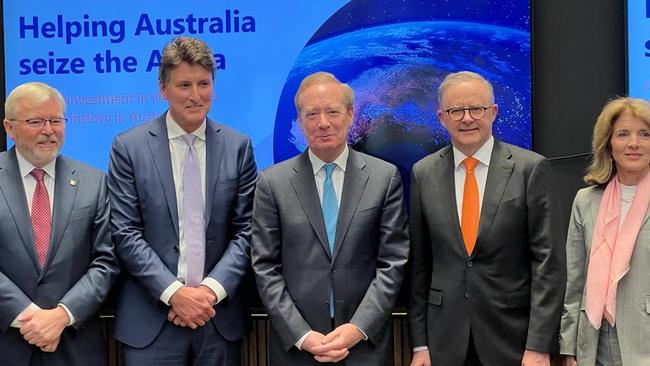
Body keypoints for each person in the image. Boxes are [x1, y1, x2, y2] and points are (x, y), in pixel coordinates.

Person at [108, 36, 257, 365]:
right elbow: (125, 232)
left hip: (217, 318)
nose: (195, 95)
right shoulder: (128, 148)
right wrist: (174, 294)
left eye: (204, 83)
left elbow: (247, 230)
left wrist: (208, 293)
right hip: (152, 320)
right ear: (163, 89)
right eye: (184, 84)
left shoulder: (239, 147)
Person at [407, 71, 566, 366]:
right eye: (456, 111)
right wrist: (419, 344)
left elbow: (549, 265)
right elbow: (419, 266)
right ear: (442, 117)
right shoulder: (423, 173)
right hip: (444, 342)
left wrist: (539, 345)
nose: (466, 118)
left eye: (476, 109)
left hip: (514, 342)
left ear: (493, 112)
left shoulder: (529, 169)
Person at [251, 71, 409, 365]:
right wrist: (302, 335)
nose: (322, 123)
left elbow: (393, 262)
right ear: (300, 121)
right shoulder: (272, 183)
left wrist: (357, 328)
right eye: (312, 114)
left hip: (364, 346)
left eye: (332, 112)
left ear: (350, 115)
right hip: (297, 349)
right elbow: (265, 267)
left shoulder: (384, 178)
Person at [0, 82, 119, 365]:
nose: (48, 130)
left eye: (56, 120)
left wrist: (62, 314)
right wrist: (26, 316)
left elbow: (107, 261)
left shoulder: (94, 181)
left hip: (75, 345)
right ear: (9, 127)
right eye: (35, 121)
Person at [558, 97, 650, 366]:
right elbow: (574, 282)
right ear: (608, 143)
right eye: (623, 134)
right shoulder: (585, 201)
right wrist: (567, 348)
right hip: (593, 343)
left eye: (644, 134)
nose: (634, 143)